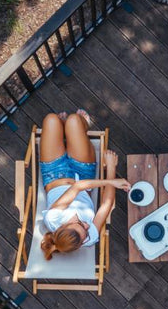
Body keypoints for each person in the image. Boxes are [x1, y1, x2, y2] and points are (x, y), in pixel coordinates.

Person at [39, 110, 130, 260]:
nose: (87, 226)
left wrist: (110, 182)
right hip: (82, 172)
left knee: (51, 119)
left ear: (62, 227)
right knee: (74, 120)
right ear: (82, 243)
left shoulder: (53, 219)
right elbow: (106, 204)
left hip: (53, 172)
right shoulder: (90, 237)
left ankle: (62, 131)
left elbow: (77, 187)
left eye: (80, 224)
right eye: (86, 231)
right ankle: (78, 128)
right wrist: (111, 168)